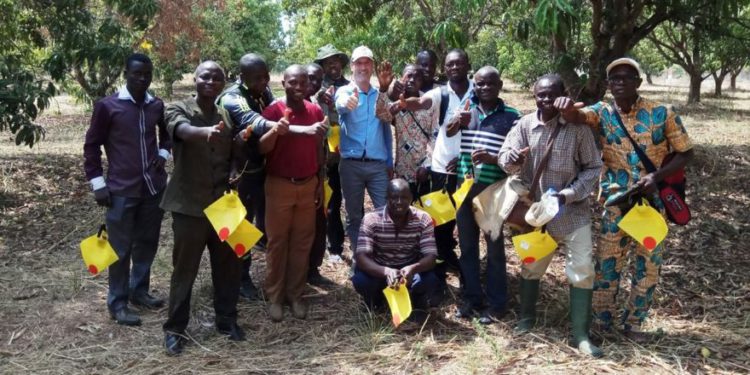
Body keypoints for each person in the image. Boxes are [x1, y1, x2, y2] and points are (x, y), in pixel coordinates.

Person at [554, 58, 694, 342]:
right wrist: (567, 110)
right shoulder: (602, 113)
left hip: (652, 205)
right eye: (614, 79)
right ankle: (603, 323)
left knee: (647, 264)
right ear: (608, 85)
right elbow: (577, 117)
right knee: (607, 264)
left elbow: (686, 152)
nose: (620, 83)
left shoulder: (662, 113)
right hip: (616, 203)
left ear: (638, 83)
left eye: (626, 78)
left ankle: (635, 324)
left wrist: (656, 178)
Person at [498, 74, 603, 357]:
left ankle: (580, 335)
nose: (546, 100)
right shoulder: (524, 125)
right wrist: (512, 160)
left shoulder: (578, 129)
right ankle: (526, 319)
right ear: (534, 96)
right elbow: (504, 156)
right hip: (535, 214)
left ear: (563, 95)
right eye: (540, 95)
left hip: (572, 213)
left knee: (582, 271)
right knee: (531, 267)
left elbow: (594, 168)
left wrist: (568, 194)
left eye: (551, 94)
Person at [161, 61, 246, 355]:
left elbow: (232, 154)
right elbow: (181, 131)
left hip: (222, 204)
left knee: (229, 265)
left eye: (217, 78)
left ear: (224, 83)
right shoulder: (178, 108)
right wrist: (205, 132)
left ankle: (227, 319)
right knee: (185, 270)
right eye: (205, 76)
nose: (211, 81)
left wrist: (235, 166)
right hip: (189, 206)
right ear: (195, 79)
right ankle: (174, 329)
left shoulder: (225, 113)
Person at [83, 53, 169, 326]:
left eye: (147, 74)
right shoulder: (108, 106)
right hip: (120, 189)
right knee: (119, 248)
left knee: (147, 243)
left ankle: (139, 291)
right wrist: (97, 183)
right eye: (136, 74)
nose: (142, 78)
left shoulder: (156, 104)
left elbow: (166, 135)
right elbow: (92, 146)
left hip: (152, 188)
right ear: (126, 74)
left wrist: (164, 155)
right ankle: (117, 302)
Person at [448, 66, 520, 324]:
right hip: (465, 188)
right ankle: (472, 298)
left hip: (494, 190)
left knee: (494, 248)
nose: (485, 88)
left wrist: (494, 158)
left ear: (500, 85)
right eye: (479, 84)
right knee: (467, 247)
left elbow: (518, 156)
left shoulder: (512, 116)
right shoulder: (467, 108)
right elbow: (448, 132)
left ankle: (498, 303)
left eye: (490, 84)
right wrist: (458, 121)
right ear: (474, 86)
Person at [401, 48, 474, 299]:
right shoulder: (441, 93)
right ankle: (440, 279)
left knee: (467, 226)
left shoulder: (480, 89)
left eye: (459, 63)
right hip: (442, 170)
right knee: (441, 225)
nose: (455, 67)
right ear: (445, 68)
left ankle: (469, 279)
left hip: (469, 172)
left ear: (467, 65)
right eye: (450, 64)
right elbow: (421, 102)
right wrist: (402, 103)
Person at [259, 64, 328, 322]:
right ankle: (275, 295)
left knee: (302, 242)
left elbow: (320, 150)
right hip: (279, 185)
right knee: (277, 243)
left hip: (308, 184)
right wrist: (277, 128)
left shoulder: (315, 110)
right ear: (283, 83)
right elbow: (262, 149)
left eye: (303, 83)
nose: (299, 88)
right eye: (293, 82)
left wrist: (320, 182)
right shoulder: (273, 110)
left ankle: (295, 294)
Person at [217, 53, 274, 301]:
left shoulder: (262, 93)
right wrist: (290, 125)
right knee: (239, 225)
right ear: (242, 78)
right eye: (257, 78)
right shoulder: (233, 98)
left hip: (257, 170)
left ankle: (241, 274)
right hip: (236, 174)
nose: (264, 81)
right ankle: (240, 278)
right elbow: (257, 122)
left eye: (266, 76)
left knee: (252, 226)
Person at [351, 178, 439, 321]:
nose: (399, 202)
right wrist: (386, 272)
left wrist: (412, 268)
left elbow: (431, 257)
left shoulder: (423, 219)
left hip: (409, 270)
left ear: (411, 198)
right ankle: (376, 300)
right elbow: (361, 257)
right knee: (361, 281)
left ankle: (416, 302)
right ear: (386, 198)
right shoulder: (371, 219)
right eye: (394, 197)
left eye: (404, 197)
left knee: (430, 280)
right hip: (379, 269)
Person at [335, 45, 394, 251]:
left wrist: (389, 161)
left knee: (384, 212)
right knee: (354, 215)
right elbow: (340, 104)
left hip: (377, 165)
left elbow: (387, 127)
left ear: (373, 66)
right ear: (351, 66)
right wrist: (347, 102)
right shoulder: (344, 91)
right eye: (358, 62)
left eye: (367, 62)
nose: (363, 66)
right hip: (351, 165)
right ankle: (359, 259)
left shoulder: (380, 94)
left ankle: (382, 255)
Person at [377, 64, 437, 199]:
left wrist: (427, 165)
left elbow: (435, 135)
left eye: (417, 77)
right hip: (402, 171)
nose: (412, 80)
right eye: (408, 76)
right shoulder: (395, 101)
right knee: (402, 212)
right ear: (402, 78)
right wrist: (383, 90)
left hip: (424, 171)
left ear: (422, 82)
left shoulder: (429, 102)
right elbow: (382, 116)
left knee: (424, 212)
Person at [313, 45, 349, 264]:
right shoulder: (317, 88)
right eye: (327, 62)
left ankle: (360, 242)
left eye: (335, 61)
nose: (332, 65)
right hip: (326, 156)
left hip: (350, 153)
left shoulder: (350, 86)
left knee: (353, 202)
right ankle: (334, 246)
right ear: (322, 67)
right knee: (332, 202)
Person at [305, 63, 335, 286]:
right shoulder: (287, 105)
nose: (313, 84)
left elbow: (333, 130)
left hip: (320, 173)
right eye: (309, 79)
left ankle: (313, 269)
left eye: (317, 79)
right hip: (295, 175)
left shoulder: (322, 103)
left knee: (319, 222)